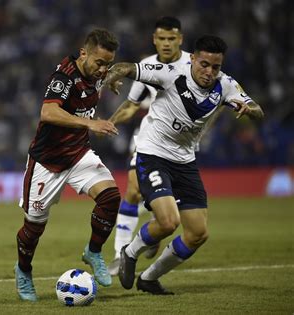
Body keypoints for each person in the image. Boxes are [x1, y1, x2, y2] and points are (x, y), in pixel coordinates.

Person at [104, 35, 264, 294]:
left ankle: (149, 277)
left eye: (216, 67)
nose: (209, 72)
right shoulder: (170, 73)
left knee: (198, 233)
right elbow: (126, 68)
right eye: (204, 64)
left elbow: (256, 108)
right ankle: (129, 252)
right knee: (168, 222)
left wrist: (249, 110)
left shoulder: (226, 85)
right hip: (153, 154)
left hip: (185, 161)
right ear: (192, 58)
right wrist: (111, 76)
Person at [14, 28, 121, 302]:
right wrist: (90, 123)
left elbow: (113, 68)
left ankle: (93, 251)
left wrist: (113, 77)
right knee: (33, 228)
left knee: (110, 198)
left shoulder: (98, 70)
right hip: (46, 161)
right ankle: (23, 270)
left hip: (78, 154)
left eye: (107, 64)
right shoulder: (65, 76)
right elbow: (47, 112)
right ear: (83, 53)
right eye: (99, 63)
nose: (103, 69)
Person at [107, 16, 191, 276]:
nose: (166, 44)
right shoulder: (147, 66)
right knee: (132, 190)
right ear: (155, 40)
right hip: (149, 140)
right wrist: (108, 122)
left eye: (171, 38)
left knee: (167, 213)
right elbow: (133, 104)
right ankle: (119, 255)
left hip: (180, 147)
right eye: (161, 39)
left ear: (180, 39)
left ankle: (153, 231)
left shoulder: (194, 65)